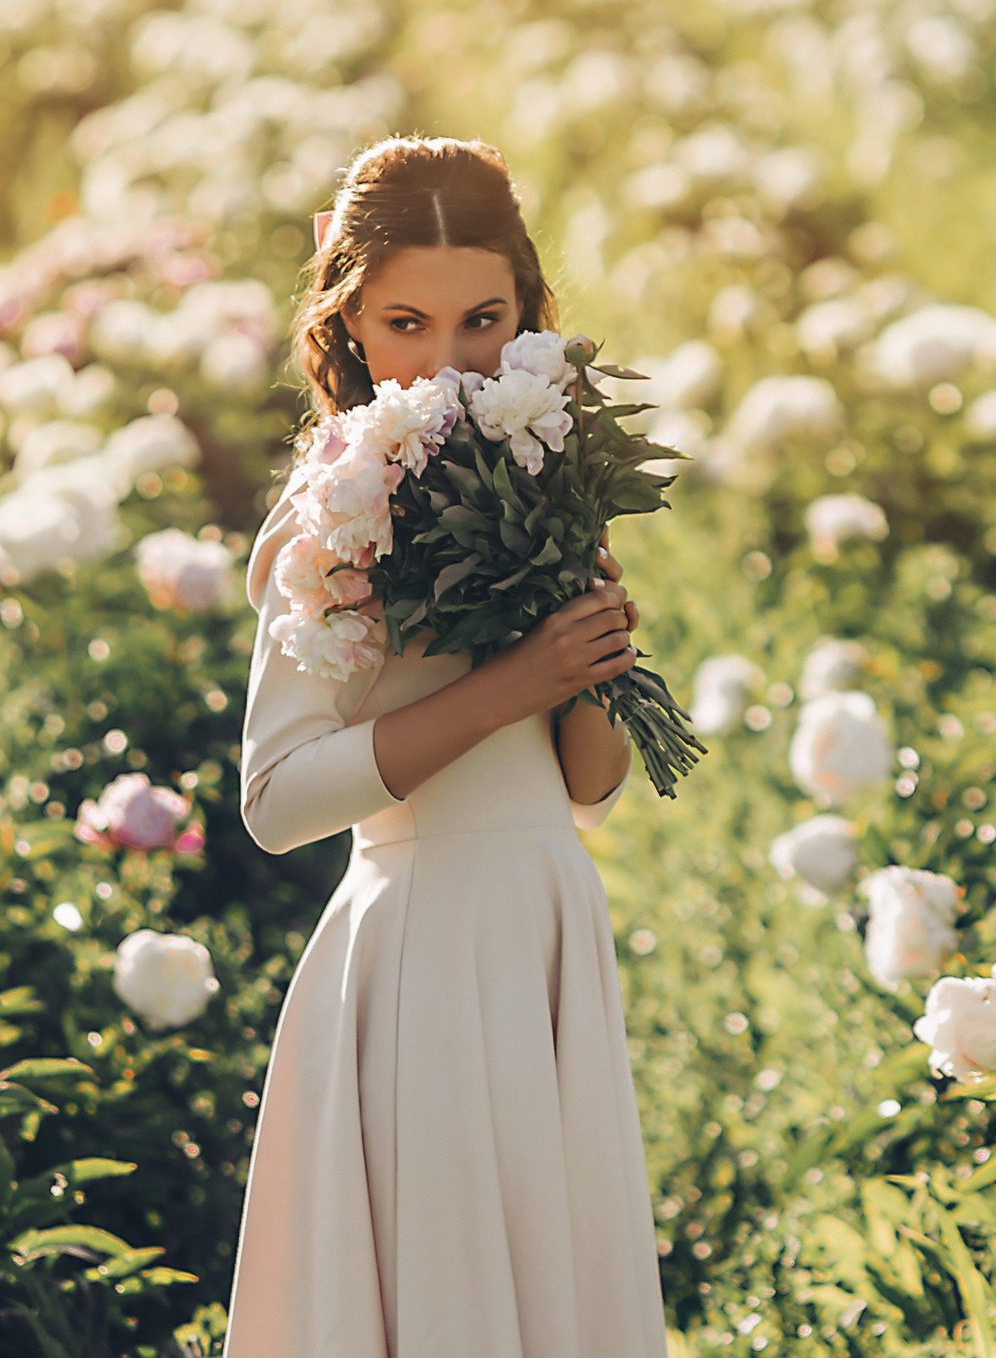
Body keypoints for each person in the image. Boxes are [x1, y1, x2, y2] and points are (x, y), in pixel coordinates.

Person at [221, 136, 669, 1358]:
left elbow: (589, 782)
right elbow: (274, 795)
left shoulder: (544, 473)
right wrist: (508, 682)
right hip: (422, 944)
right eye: (406, 322)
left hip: (543, 913)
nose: (448, 359)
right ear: (352, 323)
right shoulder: (332, 509)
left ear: (528, 311)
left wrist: (584, 646)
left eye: (483, 318)